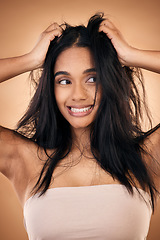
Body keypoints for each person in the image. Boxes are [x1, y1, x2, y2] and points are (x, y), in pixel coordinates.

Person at [0, 13, 160, 240]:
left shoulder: (146, 159)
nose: (78, 95)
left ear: (110, 82)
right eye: (64, 81)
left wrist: (131, 55)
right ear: (51, 88)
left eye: (92, 79)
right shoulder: (23, 159)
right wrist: (31, 60)